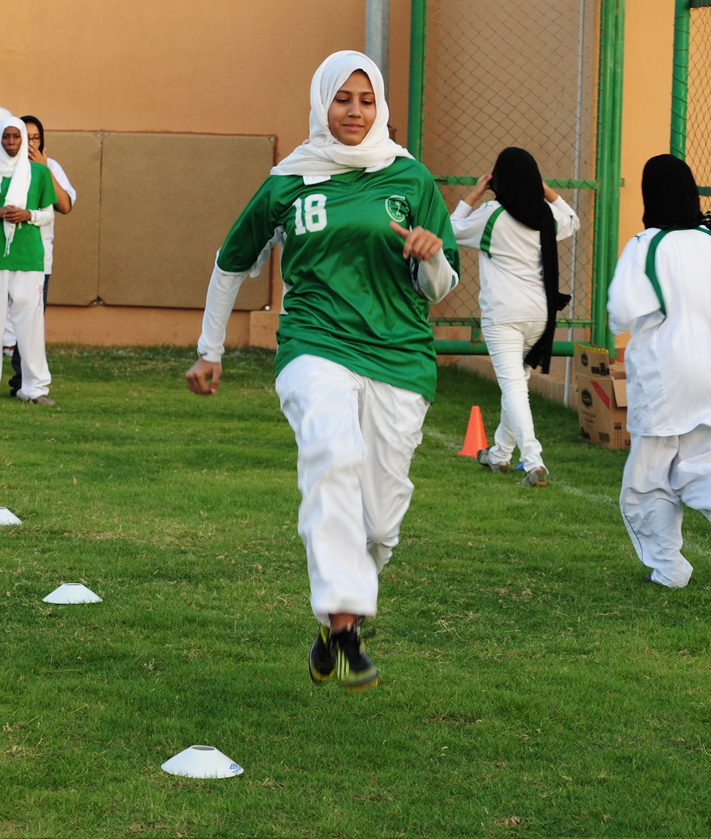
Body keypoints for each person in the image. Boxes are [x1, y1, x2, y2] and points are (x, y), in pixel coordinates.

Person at [185, 51, 459, 691]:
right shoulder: (288, 179)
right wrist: (210, 350)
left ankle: (334, 620)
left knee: (381, 523)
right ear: (321, 102)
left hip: (399, 357)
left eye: (365, 99)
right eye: (343, 99)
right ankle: (344, 624)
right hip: (314, 345)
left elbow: (438, 287)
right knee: (331, 454)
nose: (355, 111)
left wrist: (430, 255)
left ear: (380, 104)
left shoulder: (410, 178)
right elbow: (231, 262)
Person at [608, 154, 711, 588]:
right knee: (696, 468)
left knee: (646, 484)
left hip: (663, 378)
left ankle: (669, 567)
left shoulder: (645, 245)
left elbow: (620, 312)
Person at [452, 148, 580, 487]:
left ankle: (534, 461)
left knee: (513, 387)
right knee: (517, 386)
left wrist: (474, 194)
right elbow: (572, 218)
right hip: (540, 314)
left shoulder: (491, 215)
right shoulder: (546, 216)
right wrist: (545, 189)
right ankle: (498, 454)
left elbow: (450, 230)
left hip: (503, 314)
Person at [0, 115, 57, 405]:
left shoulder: (39, 173)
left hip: (29, 257)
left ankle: (35, 388)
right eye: (6, 137)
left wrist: (28, 215)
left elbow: (49, 214)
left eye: (17, 137)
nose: (12, 143)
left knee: (30, 324)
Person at [8, 114, 76, 397]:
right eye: (26, 137)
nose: (31, 143)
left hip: (37, 258)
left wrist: (44, 169)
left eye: (36, 138)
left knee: (31, 320)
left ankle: (23, 380)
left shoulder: (50, 167)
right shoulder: (1, 165)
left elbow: (65, 206)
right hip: (0, 258)